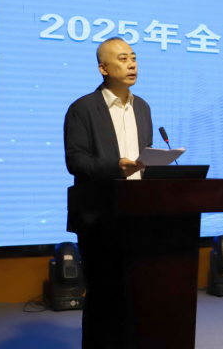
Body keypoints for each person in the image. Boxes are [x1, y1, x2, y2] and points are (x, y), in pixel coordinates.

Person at [64, 36, 153, 348]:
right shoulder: (83, 108)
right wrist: (116, 166)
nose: (131, 64)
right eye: (122, 59)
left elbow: (144, 158)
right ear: (103, 68)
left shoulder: (142, 107)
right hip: (99, 216)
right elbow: (76, 161)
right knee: (103, 296)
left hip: (138, 213)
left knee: (136, 292)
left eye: (133, 58)